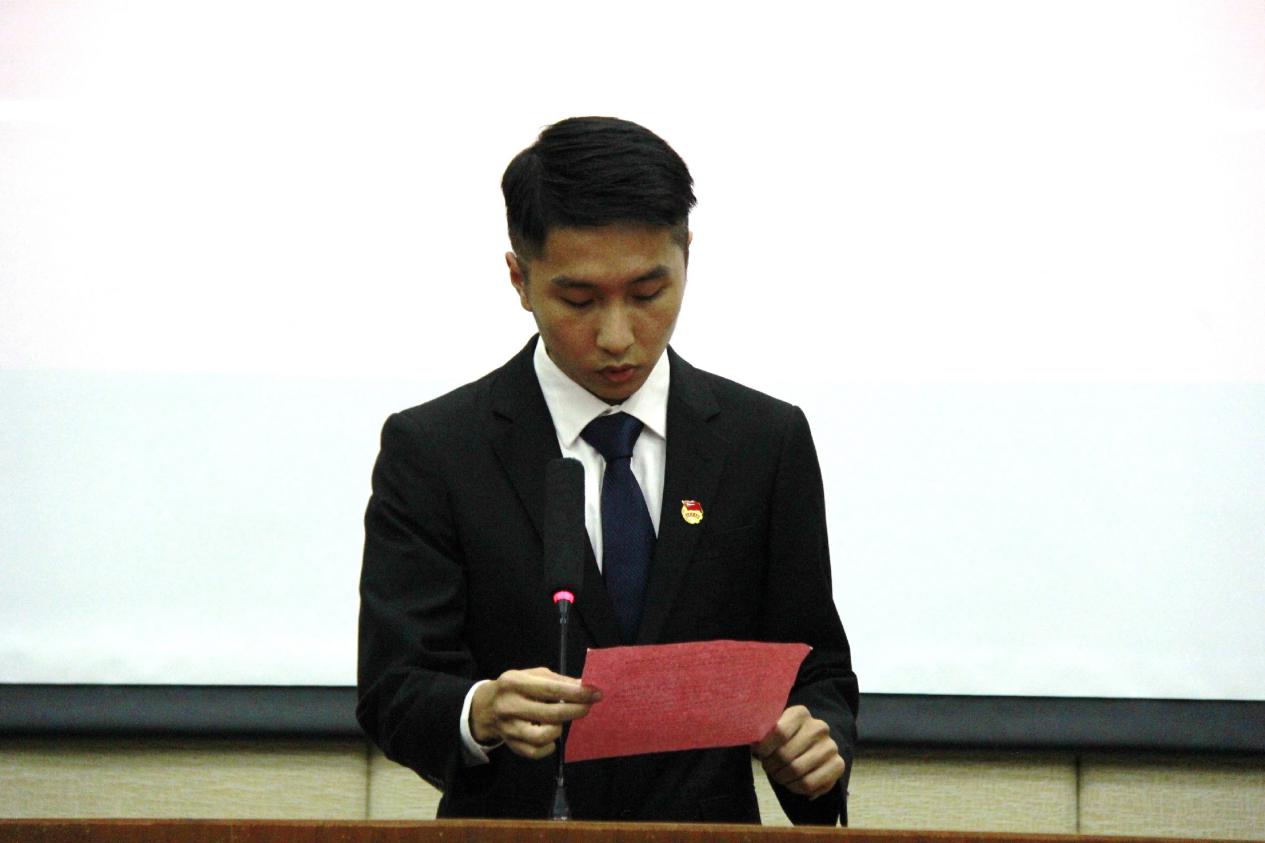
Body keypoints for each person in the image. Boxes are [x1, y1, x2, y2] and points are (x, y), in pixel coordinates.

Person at [357, 116, 859, 824]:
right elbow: (395, 686)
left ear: (686, 257)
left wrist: (815, 743)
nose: (617, 336)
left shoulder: (763, 442)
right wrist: (481, 709)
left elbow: (815, 665)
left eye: (648, 294)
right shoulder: (437, 449)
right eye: (579, 300)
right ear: (520, 279)